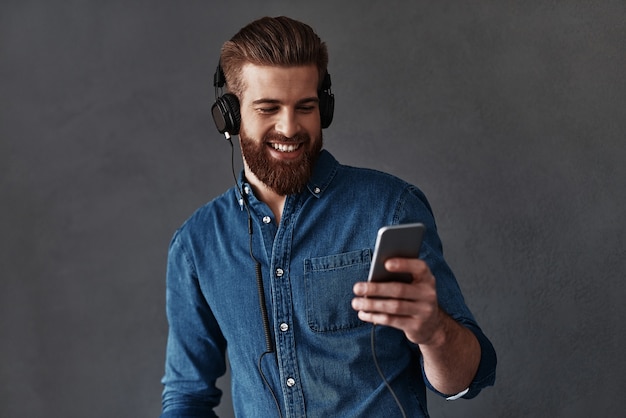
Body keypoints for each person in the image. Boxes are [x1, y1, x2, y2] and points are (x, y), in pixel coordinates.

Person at [160, 16, 496, 418]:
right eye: (268, 108)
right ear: (229, 117)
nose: (289, 127)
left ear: (326, 108)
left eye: (306, 107)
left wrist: (435, 332)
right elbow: (187, 397)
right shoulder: (196, 244)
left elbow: (468, 378)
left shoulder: (391, 208)